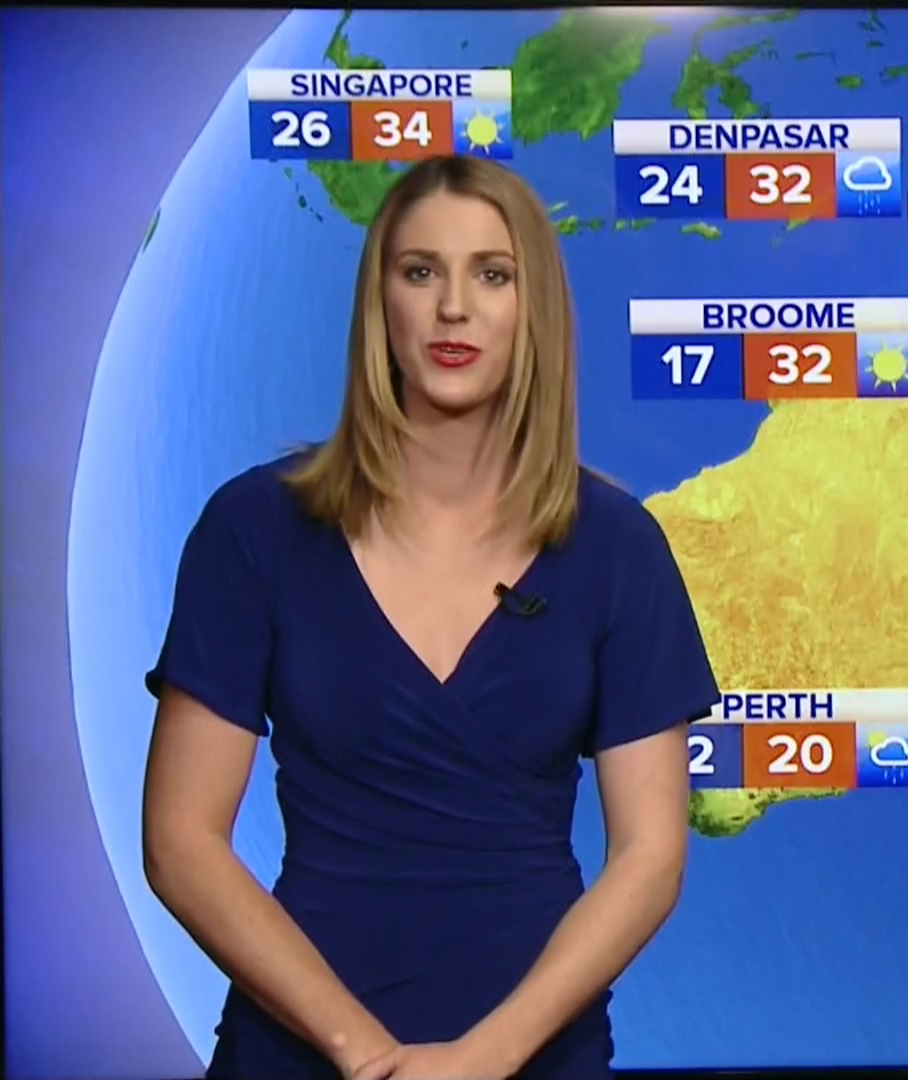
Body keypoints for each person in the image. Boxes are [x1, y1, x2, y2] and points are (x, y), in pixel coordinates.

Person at [140, 155, 720, 1080]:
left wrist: (486, 1057)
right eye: (421, 272)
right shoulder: (253, 531)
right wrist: (366, 1054)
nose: (454, 308)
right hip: (298, 1052)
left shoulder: (618, 549)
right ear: (382, 304)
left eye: (492, 275)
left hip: (534, 1057)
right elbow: (180, 842)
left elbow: (650, 857)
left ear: (533, 309)